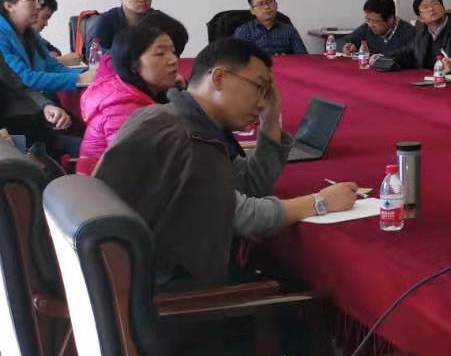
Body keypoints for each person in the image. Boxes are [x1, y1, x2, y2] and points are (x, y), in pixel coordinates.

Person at [95, 38, 360, 286]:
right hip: (158, 285)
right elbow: (241, 216)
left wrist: (270, 121)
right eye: (259, 88)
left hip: (128, 271)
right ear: (219, 77)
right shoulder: (187, 136)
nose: (262, 102)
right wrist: (319, 202)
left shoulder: (171, 117)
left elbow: (251, 185)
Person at [79, 23, 180, 160]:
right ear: (133, 64)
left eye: (173, 52)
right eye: (160, 54)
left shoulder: (153, 94)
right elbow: (131, 164)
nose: (173, 60)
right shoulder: (122, 108)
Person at [0, 0, 96, 97]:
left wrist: (88, 73)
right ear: (9, 6)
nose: (38, 6)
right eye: (32, 0)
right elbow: (23, 78)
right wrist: (79, 78)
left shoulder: (30, 33)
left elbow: (52, 67)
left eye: (38, 0)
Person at [91, 0, 189, 55]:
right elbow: (94, 52)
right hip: (114, 70)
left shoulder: (160, 19)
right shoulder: (106, 20)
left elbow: (180, 40)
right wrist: (130, 56)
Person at [406, 0, 451, 71]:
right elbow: (406, 53)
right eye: (425, 7)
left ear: (443, 8)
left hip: (450, 75)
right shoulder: (420, 29)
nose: (431, 8)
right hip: (426, 75)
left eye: (434, 4)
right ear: (420, 18)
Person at [343, 0, 416, 64]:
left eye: (375, 21)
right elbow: (342, 41)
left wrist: (380, 57)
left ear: (390, 19)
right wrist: (347, 47)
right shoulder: (367, 28)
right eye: (368, 20)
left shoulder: (410, 33)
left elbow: (411, 59)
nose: (370, 25)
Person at [234, 0, 308, 56]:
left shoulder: (289, 30)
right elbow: (236, 59)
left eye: (269, 2)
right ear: (252, 10)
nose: (266, 7)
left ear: (276, 5)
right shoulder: (243, 31)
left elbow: (303, 57)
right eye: (260, 4)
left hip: (284, 64)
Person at [33, 0, 82, 64]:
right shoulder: (18, 38)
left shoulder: (34, 36)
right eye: (44, 17)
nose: (46, 24)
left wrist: (51, 57)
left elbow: (55, 50)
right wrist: (61, 60)